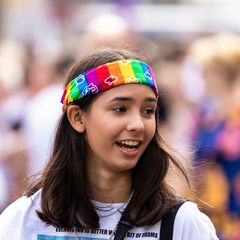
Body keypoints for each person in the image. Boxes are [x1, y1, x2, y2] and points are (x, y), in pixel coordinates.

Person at [0, 48, 219, 240]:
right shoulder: (22, 220)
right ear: (77, 118)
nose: (138, 125)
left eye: (148, 111)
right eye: (120, 109)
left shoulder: (182, 224)